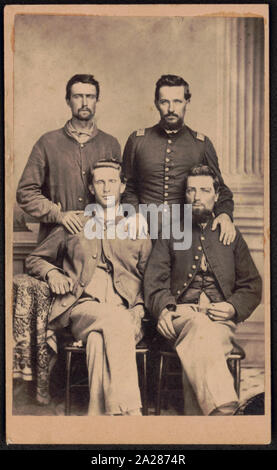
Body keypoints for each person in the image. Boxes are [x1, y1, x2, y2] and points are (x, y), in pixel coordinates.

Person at [25, 160, 152, 416]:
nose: (107, 188)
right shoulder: (75, 223)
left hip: (126, 311)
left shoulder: (136, 227)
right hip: (82, 307)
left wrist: (139, 308)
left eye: (112, 181)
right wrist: (51, 272)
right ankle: (132, 413)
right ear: (91, 189)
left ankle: (99, 419)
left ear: (122, 186)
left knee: (97, 340)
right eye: (100, 182)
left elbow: (149, 276)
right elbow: (34, 259)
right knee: (114, 321)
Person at [144, 164, 262, 416]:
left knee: (204, 342)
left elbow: (252, 285)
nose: (197, 196)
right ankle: (226, 410)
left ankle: (202, 425)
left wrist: (232, 307)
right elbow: (154, 281)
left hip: (220, 322)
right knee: (198, 327)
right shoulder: (171, 232)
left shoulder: (231, 234)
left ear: (217, 196)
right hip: (181, 317)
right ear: (185, 195)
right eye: (191, 191)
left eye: (204, 190)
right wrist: (165, 309)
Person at [122, 74, 235, 245]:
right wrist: (133, 214)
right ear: (156, 104)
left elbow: (222, 190)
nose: (171, 109)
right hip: (143, 233)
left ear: (187, 102)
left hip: (187, 235)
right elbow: (127, 187)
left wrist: (224, 215)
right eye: (164, 102)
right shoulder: (137, 140)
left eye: (177, 101)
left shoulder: (201, 144)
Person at [17, 74, 121, 243]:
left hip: (100, 242)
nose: (85, 103)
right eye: (78, 96)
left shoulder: (110, 144)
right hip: (56, 242)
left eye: (90, 97)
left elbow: (119, 194)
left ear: (97, 101)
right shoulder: (47, 142)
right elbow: (25, 192)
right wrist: (57, 215)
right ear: (68, 101)